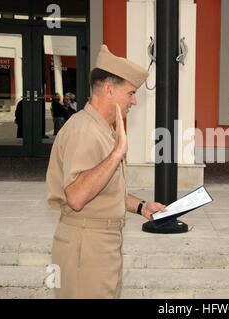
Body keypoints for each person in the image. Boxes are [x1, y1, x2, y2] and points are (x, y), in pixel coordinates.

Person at [46, 44, 167, 299]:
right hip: (86, 248)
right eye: (131, 93)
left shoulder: (101, 128)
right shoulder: (85, 131)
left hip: (98, 246)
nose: (134, 101)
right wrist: (116, 154)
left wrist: (142, 206)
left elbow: (103, 191)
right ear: (109, 89)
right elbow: (77, 197)